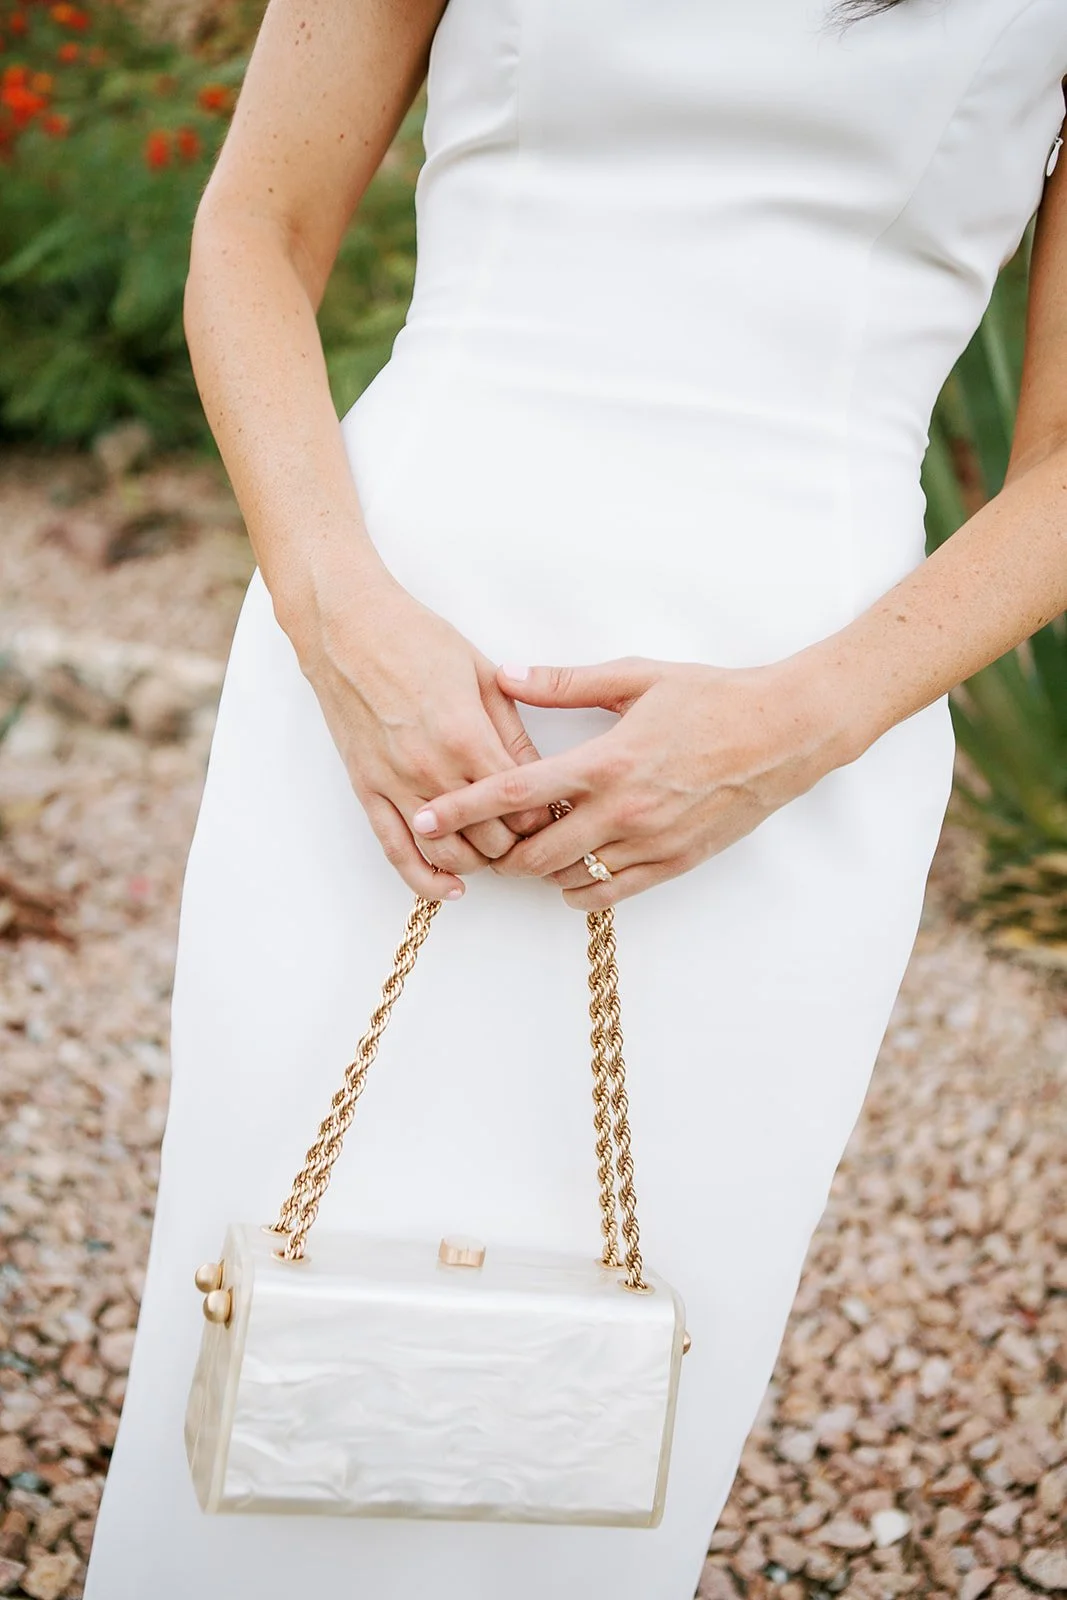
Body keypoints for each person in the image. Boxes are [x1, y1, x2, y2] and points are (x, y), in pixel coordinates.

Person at [83, 1, 1067, 1596]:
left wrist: (798, 725)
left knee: (622, 1387)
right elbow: (250, 229)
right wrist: (344, 622)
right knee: (255, 1310)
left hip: (800, 729)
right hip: (388, 653)